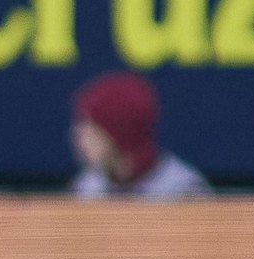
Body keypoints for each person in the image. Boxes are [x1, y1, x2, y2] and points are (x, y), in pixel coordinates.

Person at [70, 72, 212, 198]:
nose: (78, 134)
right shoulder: (87, 187)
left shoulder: (183, 191)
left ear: (119, 132)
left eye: (91, 126)